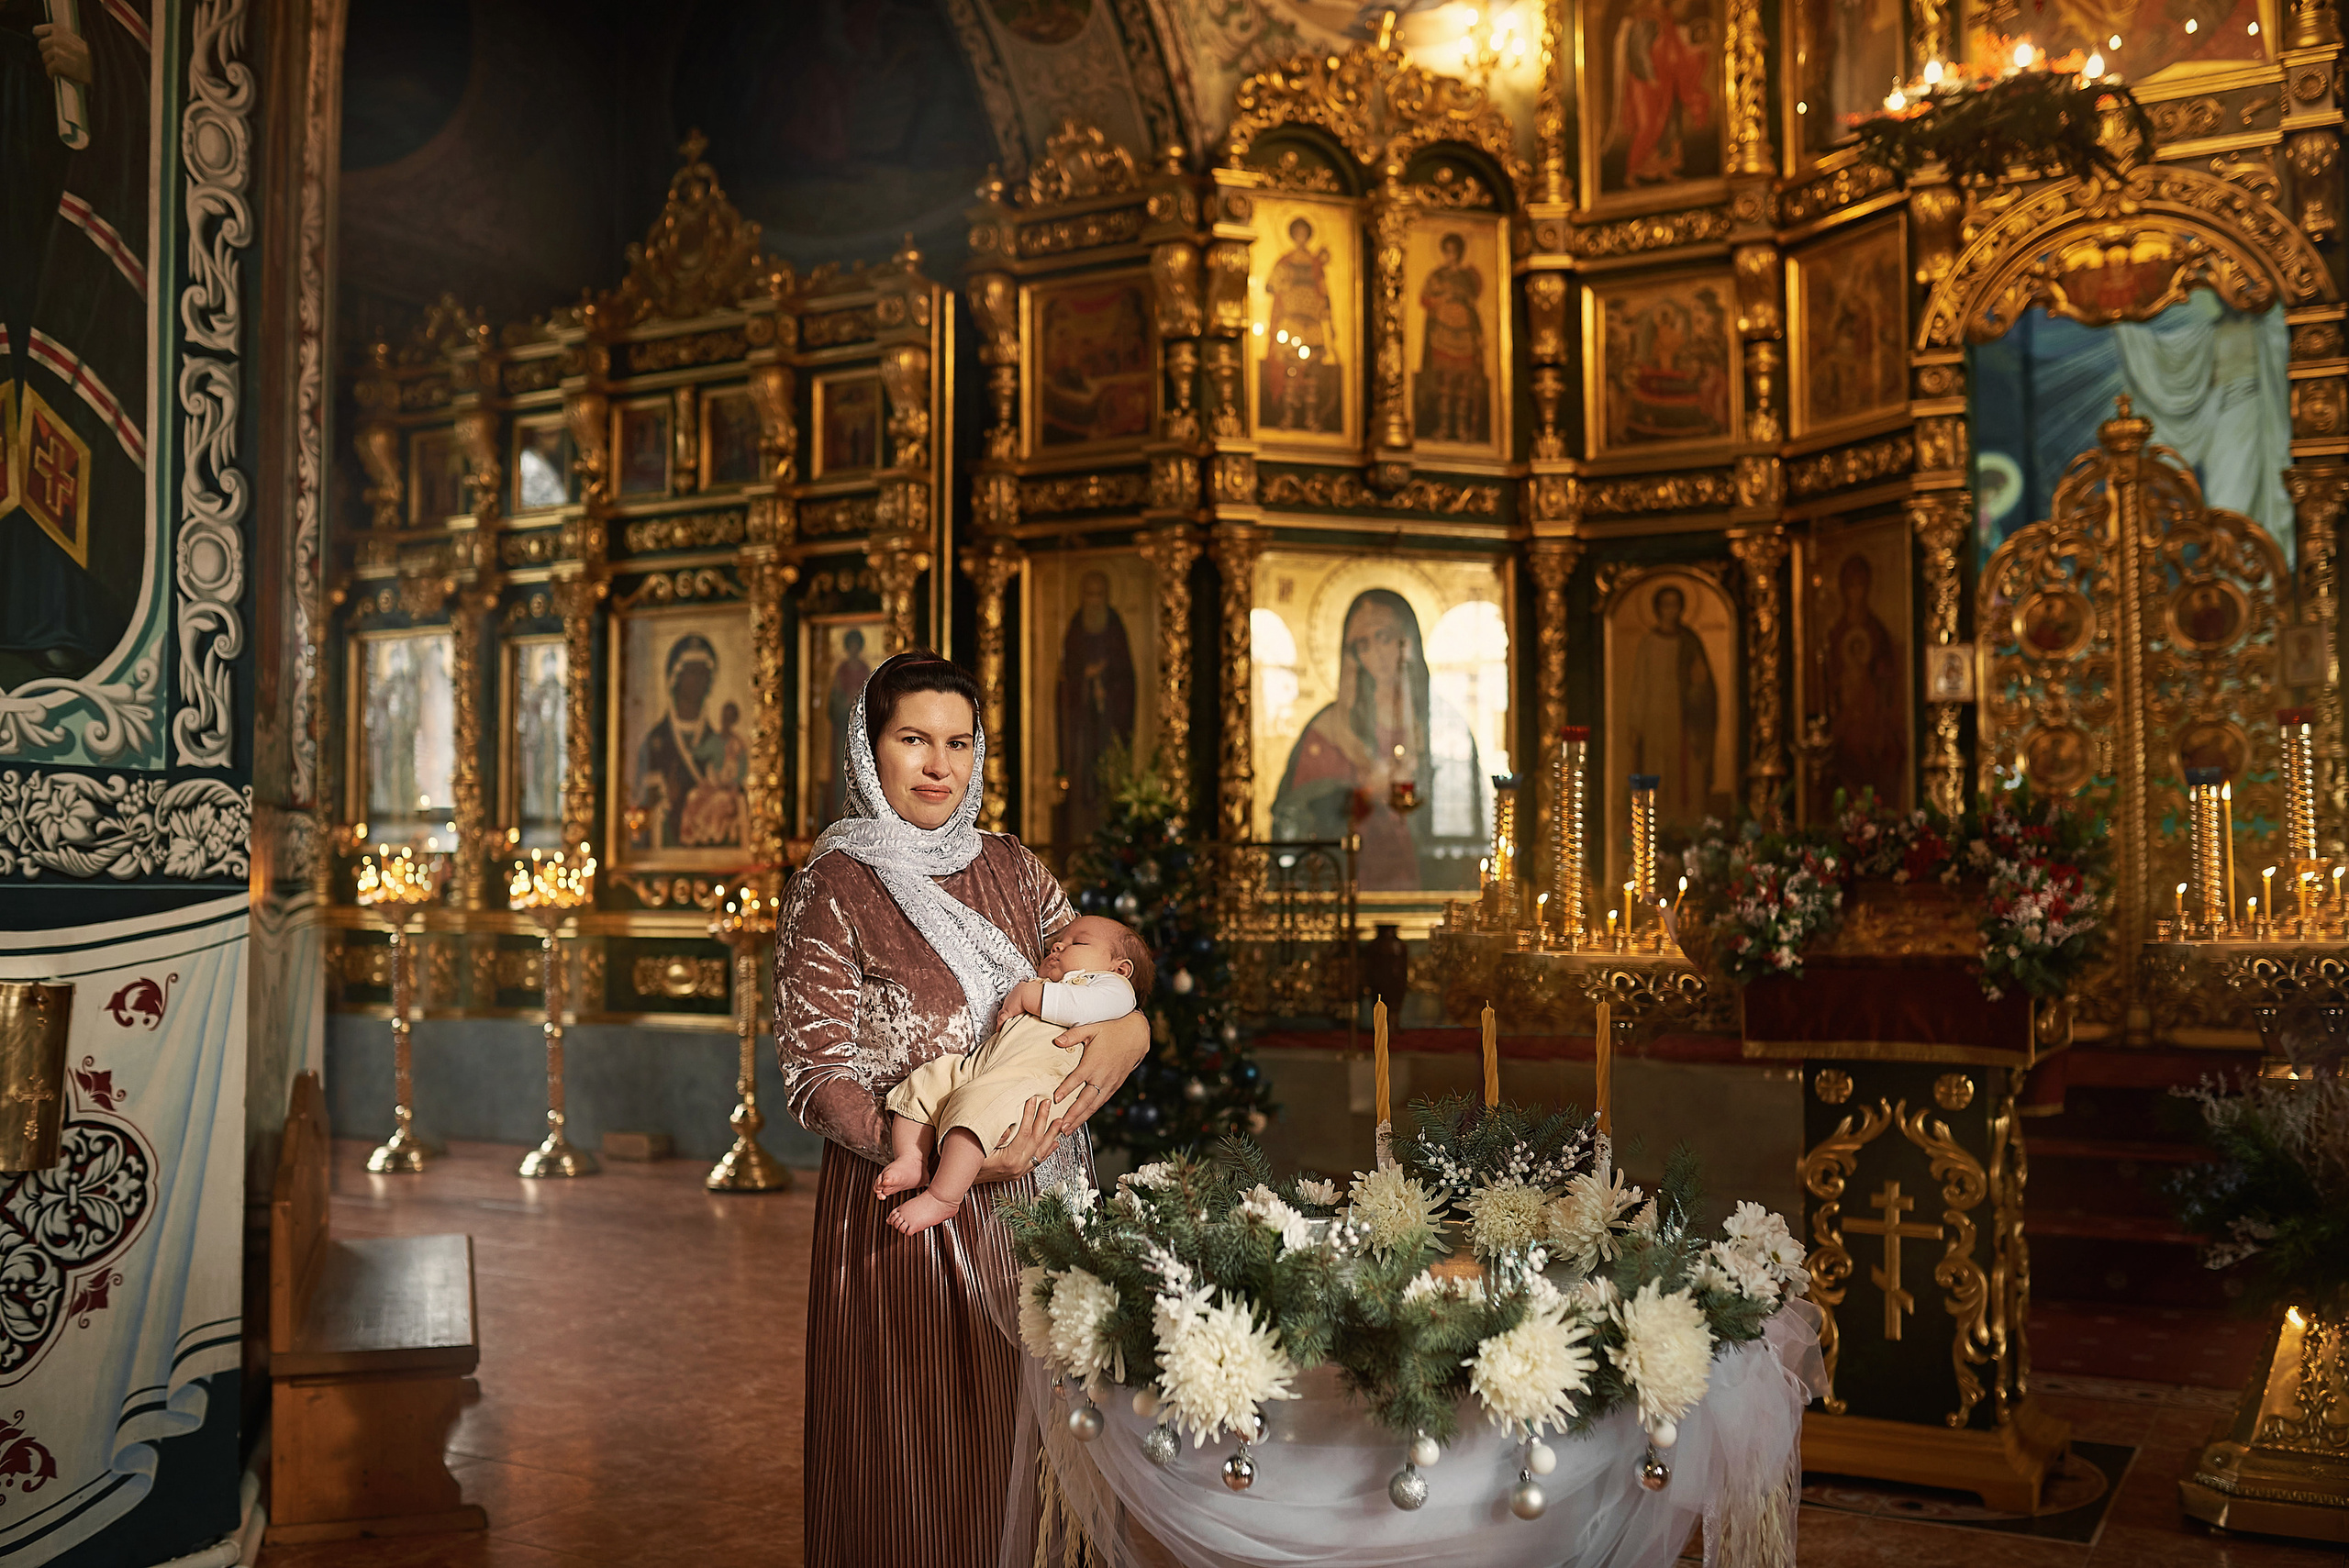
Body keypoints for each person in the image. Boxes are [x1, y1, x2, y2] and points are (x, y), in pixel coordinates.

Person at [774, 651, 1151, 1564]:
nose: (938, 765)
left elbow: (1102, 982)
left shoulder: (1012, 868)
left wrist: (1134, 1034)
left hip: (1039, 1206)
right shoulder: (834, 885)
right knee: (923, 1459)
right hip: (905, 1214)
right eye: (914, 739)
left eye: (957, 742)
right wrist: (954, 1155)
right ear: (870, 749)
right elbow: (815, 1076)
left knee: (1039, 1452)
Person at [2, 0, 150, 685]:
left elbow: (184, 94)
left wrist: (102, 74)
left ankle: (55, 610)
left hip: (53, 156)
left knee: (46, 357)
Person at [877, 913, 1152, 1235]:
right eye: (1055, 943)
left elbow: (1078, 1007)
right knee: (929, 1080)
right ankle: (912, 1158)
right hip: (988, 1066)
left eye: (1078, 943)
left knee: (976, 1108)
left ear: (1121, 969)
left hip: (1029, 1084)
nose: (1058, 946)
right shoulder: (1052, 984)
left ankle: (943, 1197)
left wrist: (1025, 995)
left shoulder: (1113, 988)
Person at [1270, 589, 1484, 890]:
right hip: (1350, 879)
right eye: (1363, 645)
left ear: (1407, 642)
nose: (1376, 654)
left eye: (1384, 638)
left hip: (1425, 885)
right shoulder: (1328, 730)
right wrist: (1365, 795)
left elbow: (1464, 821)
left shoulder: (1445, 725)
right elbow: (1295, 819)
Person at [1623, 584, 1719, 825]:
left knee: (1683, 773)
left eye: (1674, 605)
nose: (1670, 610)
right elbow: (1640, 684)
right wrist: (1636, 723)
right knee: (1656, 768)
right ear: (1657, 608)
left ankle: (1684, 825)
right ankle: (1656, 824)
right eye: (1665, 605)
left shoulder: (1689, 641)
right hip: (1654, 717)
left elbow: (1703, 683)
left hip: (1683, 717)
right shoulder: (1649, 642)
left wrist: (1696, 692)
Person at [1053, 571, 1135, 850]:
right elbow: (1065, 679)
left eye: (1099, 595)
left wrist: (1108, 689)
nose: (1094, 601)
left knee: (1108, 780)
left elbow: (1127, 678)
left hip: (1109, 722)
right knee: (1081, 781)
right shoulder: (1076, 628)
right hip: (1081, 726)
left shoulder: (1115, 628)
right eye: (1090, 595)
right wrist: (1085, 678)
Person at [1820, 553, 1904, 802]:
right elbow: (1827, 680)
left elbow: (1887, 676)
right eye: (1851, 586)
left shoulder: (1877, 631)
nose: (1856, 592)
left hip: (1873, 713)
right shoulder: (1836, 634)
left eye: (1860, 585)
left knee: (1888, 753)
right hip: (1846, 717)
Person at [1260, 215, 1343, 433]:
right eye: (1297, 234)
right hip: (1291, 321)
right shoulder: (1285, 262)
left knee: (1312, 374)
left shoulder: (1316, 264)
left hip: (1312, 323)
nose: (1301, 237)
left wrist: (1330, 323)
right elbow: (1270, 286)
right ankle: (1288, 417)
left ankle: (1310, 418)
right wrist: (1284, 283)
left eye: (1304, 234)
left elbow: (1324, 294)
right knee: (1290, 370)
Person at [1414, 232, 1488, 443]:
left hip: (1464, 334)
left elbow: (1473, 306)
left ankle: (1463, 429)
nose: (1450, 256)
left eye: (1453, 252)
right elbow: (1424, 299)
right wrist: (1441, 300)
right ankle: (1444, 427)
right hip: (1443, 333)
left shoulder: (1466, 278)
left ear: (1459, 253)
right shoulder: (1437, 276)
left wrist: (1479, 334)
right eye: (1446, 251)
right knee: (1444, 382)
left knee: (1464, 383)